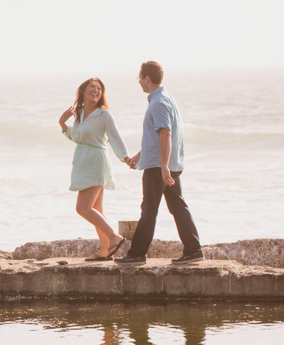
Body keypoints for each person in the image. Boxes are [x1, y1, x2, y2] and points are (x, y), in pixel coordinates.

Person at [114, 61, 203, 266]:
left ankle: (137, 254)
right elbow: (156, 138)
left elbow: (165, 134)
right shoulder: (166, 99)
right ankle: (194, 250)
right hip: (166, 164)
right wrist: (138, 156)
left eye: (139, 77)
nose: (138, 82)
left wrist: (163, 168)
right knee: (178, 207)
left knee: (149, 209)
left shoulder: (158, 103)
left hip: (159, 167)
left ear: (147, 78)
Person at [58, 77, 129, 261]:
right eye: (92, 87)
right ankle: (105, 251)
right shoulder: (79, 113)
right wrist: (62, 124)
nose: (96, 91)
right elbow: (78, 138)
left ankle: (114, 236)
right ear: (83, 91)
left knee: (82, 208)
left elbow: (115, 137)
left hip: (97, 163)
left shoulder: (104, 115)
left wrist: (126, 158)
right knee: (96, 209)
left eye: (99, 89)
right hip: (83, 162)